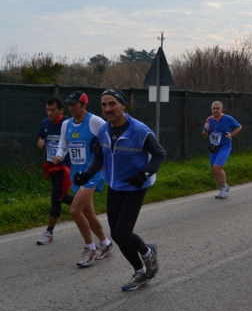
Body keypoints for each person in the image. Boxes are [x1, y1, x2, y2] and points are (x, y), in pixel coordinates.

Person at [76, 88, 167, 291]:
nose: (108, 109)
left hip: (135, 187)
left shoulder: (140, 130)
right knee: (116, 235)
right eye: (104, 105)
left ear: (123, 105)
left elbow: (160, 154)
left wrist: (144, 174)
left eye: (112, 104)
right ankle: (141, 270)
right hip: (115, 185)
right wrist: (87, 174)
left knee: (123, 233)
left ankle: (148, 255)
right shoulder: (104, 130)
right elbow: (100, 156)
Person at [53, 91, 113, 267]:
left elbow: (109, 139)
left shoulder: (94, 121)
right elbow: (63, 145)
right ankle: (105, 243)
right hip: (77, 174)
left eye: (74, 104)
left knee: (74, 210)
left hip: (93, 173)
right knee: (88, 213)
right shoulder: (66, 124)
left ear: (84, 105)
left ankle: (90, 247)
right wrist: (58, 156)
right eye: (69, 105)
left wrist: (105, 160)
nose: (71, 108)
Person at [36, 96, 74, 245]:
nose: (49, 112)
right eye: (47, 109)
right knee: (62, 197)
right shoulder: (45, 123)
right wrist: (40, 141)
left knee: (55, 196)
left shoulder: (67, 123)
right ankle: (82, 205)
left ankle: (49, 232)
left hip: (65, 166)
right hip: (52, 166)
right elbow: (42, 136)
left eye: (53, 110)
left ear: (61, 110)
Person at [202, 101, 242, 199]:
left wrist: (231, 135)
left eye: (217, 108)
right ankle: (221, 189)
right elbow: (204, 136)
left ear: (221, 109)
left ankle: (225, 186)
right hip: (214, 148)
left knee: (217, 167)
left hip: (225, 147)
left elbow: (239, 127)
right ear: (211, 109)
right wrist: (206, 129)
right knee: (213, 169)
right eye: (214, 109)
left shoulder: (228, 119)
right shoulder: (209, 119)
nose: (215, 110)